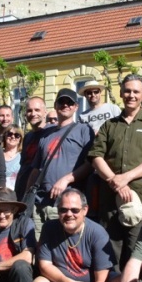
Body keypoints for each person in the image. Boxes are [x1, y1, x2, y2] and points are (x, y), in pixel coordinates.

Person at [90, 74, 142, 268]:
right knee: (109, 258)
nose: (131, 95)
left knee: (137, 256)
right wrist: (115, 181)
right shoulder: (109, 125)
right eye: (128, 91)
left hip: (140, 199)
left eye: (136, 92)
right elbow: (96, 157)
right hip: (110, 201)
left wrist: (126, 178)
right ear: (121, 93)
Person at [31, 188, 117, 282]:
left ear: (85, 210)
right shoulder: (49, 228)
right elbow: (44, 266)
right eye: (63, 210)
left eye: (75, 210)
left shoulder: (97, 232)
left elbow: (102, 280)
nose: (69, 214)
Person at [26, 88, 94, 235]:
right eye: (61, 101)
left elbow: (90, 164)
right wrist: (27, 197)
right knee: (38, 245)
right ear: (55, 105)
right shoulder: (46, 135)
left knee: (61, 245)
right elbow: (36, 169)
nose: (65, 105)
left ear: (76, 106)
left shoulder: (84, 130)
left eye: (70, 102)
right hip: (40, 202)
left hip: (66, 206)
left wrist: (66, 179)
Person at [14, 96, 48, 200]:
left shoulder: (50, 134)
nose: (33, 114)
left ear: (45, 112)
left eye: (37, 110)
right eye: (29, 111)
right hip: (23, 189)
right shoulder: (28, 136)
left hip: (40, 192)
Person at [2, 124, 23, 191]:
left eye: (17, 135)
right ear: (5, 136)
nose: (13, 137)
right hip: (0, 194)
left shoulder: (22, 156)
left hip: (17, 193)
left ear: (20, 139)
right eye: (9, 134)